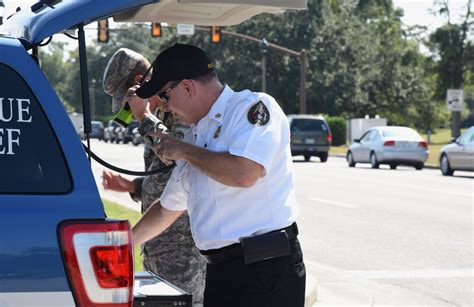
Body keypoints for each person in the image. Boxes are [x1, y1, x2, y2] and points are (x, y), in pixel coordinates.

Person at [128, 43, 306, 307]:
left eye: (165, 96)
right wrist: (124, 242)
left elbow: (244, 173)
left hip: (265, 270)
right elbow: (167, 209)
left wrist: (186, 151)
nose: (165, 107)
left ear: (187, 87)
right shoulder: (194, 135)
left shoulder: (252, 109)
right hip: (222, 273)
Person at [101, 48, 206, 306]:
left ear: (139, 83)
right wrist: (133, 186)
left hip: (184, 251)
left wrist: (144, 117)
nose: (126, 109)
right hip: (157, 246)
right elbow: (166, 177)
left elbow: (179, 156)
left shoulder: (181, 111)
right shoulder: (157, 116)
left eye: (126, 99)